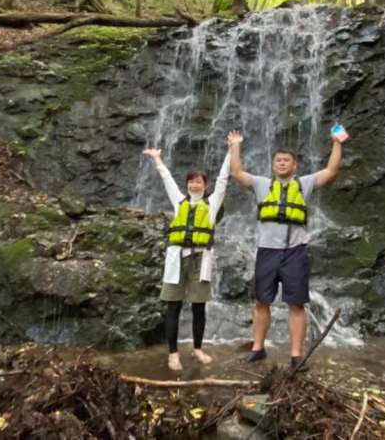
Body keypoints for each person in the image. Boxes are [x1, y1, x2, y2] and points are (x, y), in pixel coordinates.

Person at [227, 129, 343, 370]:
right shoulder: (262, 184)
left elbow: (331, 171)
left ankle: (296, 356)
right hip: (267, 250)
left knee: (296, 305)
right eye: (278, 160)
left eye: (286, 160)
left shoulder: (305, 183)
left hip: (295, 251)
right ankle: (257, 348)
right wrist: (235, 145)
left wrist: (336, 143)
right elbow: (236, 172)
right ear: (273, 165)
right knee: (261, 301)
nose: (281, 163)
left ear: (295, 165)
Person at [143, 144, 230, 371]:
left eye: (199, 181)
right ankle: (173, 354)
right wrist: (157, 160)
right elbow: (167, 180)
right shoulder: (179, 201)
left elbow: (223, 180)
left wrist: (231, 150)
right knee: (173, 306)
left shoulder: (211, 205)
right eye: (191, 181)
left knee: (199, 307)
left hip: (200, 259)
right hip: (177, 258)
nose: (194, 184)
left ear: (205, 185)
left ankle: (198, 348)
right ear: (187, 185)